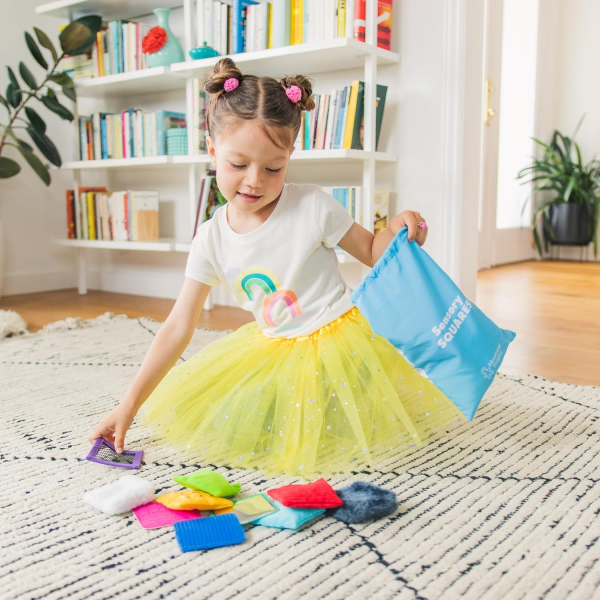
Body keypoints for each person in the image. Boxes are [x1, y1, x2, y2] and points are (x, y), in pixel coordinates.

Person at [89, 58, 460, 478]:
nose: (254, 181)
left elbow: (375, 252)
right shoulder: (210, 238)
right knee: (237, 427)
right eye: (237, 164)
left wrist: (401, 224)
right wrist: (128, 405)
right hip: (275, 348)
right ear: (212, 151)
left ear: (290, 157)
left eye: (273, 168)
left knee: (342, 430)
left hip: (341, 341)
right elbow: (178, 326)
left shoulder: (313, 205)